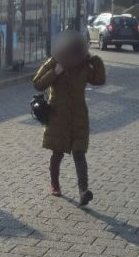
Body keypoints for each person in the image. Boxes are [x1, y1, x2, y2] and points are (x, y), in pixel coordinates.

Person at [32, 30, 106, 205]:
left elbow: (99, 79)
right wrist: (55, 72)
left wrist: (94, 60)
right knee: (57, 153)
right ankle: (54, 184)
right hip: (58, 116)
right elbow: (37, 83)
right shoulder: (55, 62)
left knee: (79, 153)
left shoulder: (83, 66)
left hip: (79, 116)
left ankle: (83, 191)